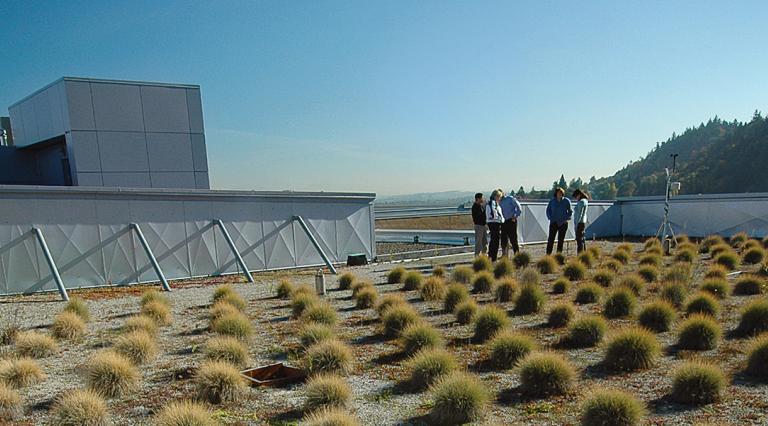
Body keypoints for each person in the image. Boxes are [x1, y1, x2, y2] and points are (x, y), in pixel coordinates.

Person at [545, 187, 572, 255]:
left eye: (561, 193)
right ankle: (548, 254)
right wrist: (550, 218)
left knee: (561, 240)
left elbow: (570, 212)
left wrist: (566, 218)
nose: (559, 194)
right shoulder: (552, 201)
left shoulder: (566, 201)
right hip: (553, 222)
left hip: (563, 223)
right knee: (551, 239)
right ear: (556, 193)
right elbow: (548, 210)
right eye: (558, 193)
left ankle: (558, 255)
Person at [499, 191, 522, 257]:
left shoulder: (510, 199)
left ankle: (517, 254)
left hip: (511, 221)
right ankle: (505, 255)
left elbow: (519, 208)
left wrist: (515, 215)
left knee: (513, 238)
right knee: (503, 239)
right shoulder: (499, 201)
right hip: (503, 222)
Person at [485, 189, 505, 261]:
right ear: (496, 196)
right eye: (499, 197)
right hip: (494, 222)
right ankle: (493, 257)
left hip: (493, 222)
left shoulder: (492, 203)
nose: (500, 198)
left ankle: (492, 256)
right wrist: (501, 220)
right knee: (495, 240)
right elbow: (495, 213)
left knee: (494, 240)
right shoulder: (493, 203)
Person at [572, 189, 589, 253]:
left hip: (579, 223)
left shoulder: (581, 202)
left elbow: (579, 214)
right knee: (582, 239)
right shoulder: (585, 201)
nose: (576, 198)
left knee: (579, 240)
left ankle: (580, 254)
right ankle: (584, 253)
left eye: (576, 196)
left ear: (579, 195)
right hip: (583, 222)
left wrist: (576, 225)